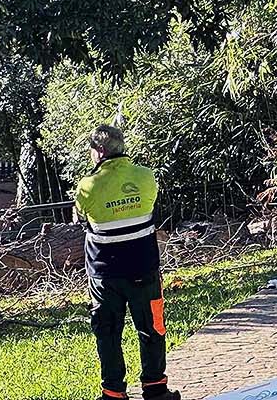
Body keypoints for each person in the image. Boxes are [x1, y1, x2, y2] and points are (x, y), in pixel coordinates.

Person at [74, 126, 179, 400]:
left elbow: (80, 214)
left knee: (107, 333)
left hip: (104, 273)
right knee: (152, 327)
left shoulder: (88, 185)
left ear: (99, 151)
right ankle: (156, 389)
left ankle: (113, 393)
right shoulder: (146, 177)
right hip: (143, 268)